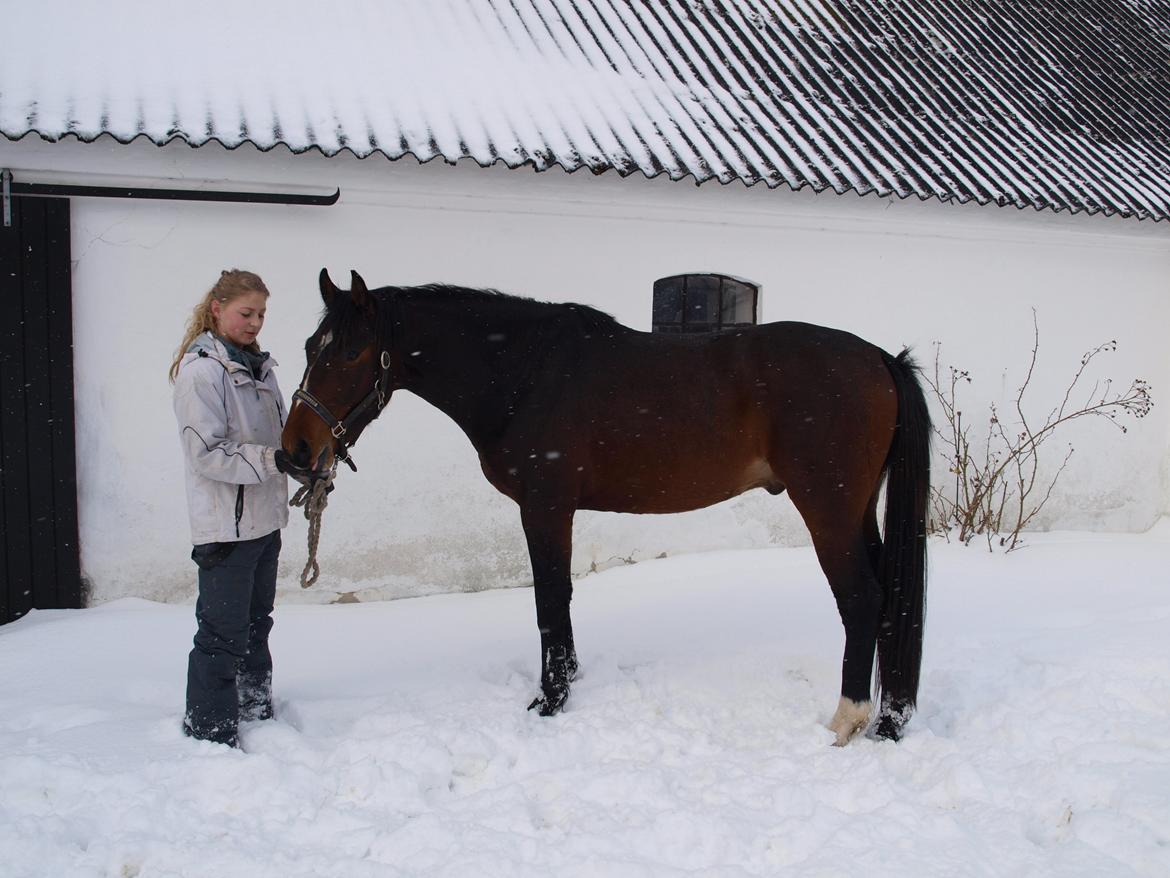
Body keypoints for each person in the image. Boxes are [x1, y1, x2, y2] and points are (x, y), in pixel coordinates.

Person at [169, 269, 298, 747]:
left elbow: (275, 436)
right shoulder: (202, 371)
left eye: (261, 314)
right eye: (246, 313)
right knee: (222, 633)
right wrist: (273, 459)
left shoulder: (261, 369)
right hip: (226, 527)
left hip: (264, 521)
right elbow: (205, 453)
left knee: (256, 623)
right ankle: (210, 731)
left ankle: (254, 707)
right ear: (217, 309)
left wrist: (301, 459)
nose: (255, 323)